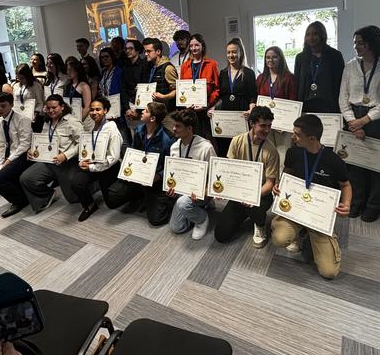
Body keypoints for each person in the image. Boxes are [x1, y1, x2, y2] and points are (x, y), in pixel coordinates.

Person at [271, 114, 352, 279]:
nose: (292, 137)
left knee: (329, 272)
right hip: (296, 208)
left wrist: (347, 203)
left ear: (312, 138)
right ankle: (300, 232)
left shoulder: (333, 160)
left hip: (318, 214)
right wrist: (280, 186)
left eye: (297, 134)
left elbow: (345, 185)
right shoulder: (294, 152)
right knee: (279, 239)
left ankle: (313, 235)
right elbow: (287, 174)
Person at [338, 26, 380, 222]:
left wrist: (364, 121)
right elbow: (343, 98)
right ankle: (357, 203)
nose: (356, 47)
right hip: (353, 117)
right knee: (354, 165)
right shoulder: (350, 66)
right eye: (355, 43)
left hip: (377, 120)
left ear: (373, 43)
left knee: (376, 167)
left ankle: (373, 206)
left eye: (360, 43)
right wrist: (352, 122)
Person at [213, 106, 280, 247]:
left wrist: (252, 196)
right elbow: (228, 171)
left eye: (269, 126)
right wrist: (222, 189)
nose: (267, 130)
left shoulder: (272, 151)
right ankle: (246, 213)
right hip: (238, 193)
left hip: (260, 195)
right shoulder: (237, 141)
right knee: (221, 235)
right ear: (252, 123)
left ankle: (260, 224)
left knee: (255, 208)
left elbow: (270, 183)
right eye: (263, 125)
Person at [106, 101, 175, 225]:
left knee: (156, 220)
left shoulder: (168, 139)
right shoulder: (138, 131)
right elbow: (133, 154)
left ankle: (169, 200)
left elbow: (172, 167)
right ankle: (141, 194)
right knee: (112, 197)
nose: (142, 111)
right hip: (138, 175)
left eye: (146, 111)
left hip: (156, 180)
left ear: (153, 118)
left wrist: (158, 176)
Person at [19, 95, 82, 213]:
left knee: (73, 198)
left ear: (62, 107)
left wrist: (65, 155)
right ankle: (47, 195)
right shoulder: (47, 121)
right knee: (26, 178)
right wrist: (33, 150)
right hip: (49, 161)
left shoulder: (72, 122)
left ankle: (95, 183)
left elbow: (83, 144)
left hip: (67, 162)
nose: (51, 110)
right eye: (48, 108)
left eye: (54, 107)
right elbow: (42, 140)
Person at [66, 96, 123, 221]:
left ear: (105, 111)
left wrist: (92, 167)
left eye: (98, 109)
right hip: (95, 163)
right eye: (92, 110)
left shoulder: (112, 129)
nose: (94, 113)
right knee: (76, 182)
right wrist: (84, 160)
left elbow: (113, 158)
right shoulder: (94, 127)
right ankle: (89, 205)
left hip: (109, 167)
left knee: (111, 203)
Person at [167, 109, 217, 239]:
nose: (173, 129)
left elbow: (215, 177)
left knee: (183, 203)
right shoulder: (174, 147)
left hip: (202, 191)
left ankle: (202, 219)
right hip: (184, 191)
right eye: (174, 125)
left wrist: (204, 192)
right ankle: (200, 207)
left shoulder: (206, 147)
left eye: (178, 126)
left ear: (189, 128)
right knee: (176, 228)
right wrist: (172, 188)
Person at [209, 37, 257, 156]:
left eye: (234, 52)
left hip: (242, 114)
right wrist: (213, 109)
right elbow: (220, 96)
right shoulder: (223, 73)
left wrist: (251, 110)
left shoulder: (249, 73)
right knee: (225, 148)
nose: (231, 55)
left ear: (240, 53)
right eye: (229, 52)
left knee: (242, 148)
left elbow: (252, 96)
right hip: (225, 115)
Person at [0, 92, 33, 218]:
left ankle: (19, 201)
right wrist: (1, 162)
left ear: (12, 104)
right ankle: (21, 197)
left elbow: (25, 145)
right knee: (1, 173)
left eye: (3, 106)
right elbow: (1, 145)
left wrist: (9, 160)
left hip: (23, 156)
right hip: (11, 157)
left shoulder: (22, 119)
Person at [294, 21, 345, 114]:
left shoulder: (335, 55)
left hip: (329, 105)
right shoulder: (301, 57)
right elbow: (297, 82)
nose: (311, 37)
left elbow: (340, 81)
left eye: (315, 34)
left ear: (322, 35)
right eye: (308, 34)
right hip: (306, 105)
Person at [179, 33, 219, 138]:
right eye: (191, 46)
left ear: (202, 46)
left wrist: (207, 104)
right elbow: (181, 88)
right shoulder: (184, 66)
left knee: (208, 141)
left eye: (196, 45)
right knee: (191, 141)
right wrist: (185, 104)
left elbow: (217, 89)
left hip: (206, 112)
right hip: (190, 112)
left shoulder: (212, 65)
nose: (194, 48)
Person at [142, 37, 177, 111]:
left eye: (148, 51)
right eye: (145, 51)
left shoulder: (168, 68)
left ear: (158, 52)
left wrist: (164, 97)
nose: (145, 54)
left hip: (166, 111)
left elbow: (176, 90)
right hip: (154, 110)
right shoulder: (150, 67)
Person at [122, 39, 147, 131]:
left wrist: (138, 111)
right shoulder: (125, 68)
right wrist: (127, 109)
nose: (128, 51)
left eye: (131, 48)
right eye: (126, 49)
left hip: (142, 106)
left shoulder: (144, 65)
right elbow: (123, 89)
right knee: (133, 136)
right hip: (129, 106)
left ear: (137, 50)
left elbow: (145, 89)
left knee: (144, 133)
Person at [13, 63, 45, 132]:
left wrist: (36, 113)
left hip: (33, 118)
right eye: (18, 78)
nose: (20, 80)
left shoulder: (35, 85)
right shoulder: (16, 86)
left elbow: (40, 103)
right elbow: (14, 101)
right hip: (20, 118)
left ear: (27, 76)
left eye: (22, 78)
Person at [64, 58, 93, 130]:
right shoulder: (68, 85)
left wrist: (79, 121)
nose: (68, 72)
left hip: (84, 120)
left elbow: (88, 107)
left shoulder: (84, 86)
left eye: (70, 70)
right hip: (72, 119)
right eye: (67, 70)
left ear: (77, 70)